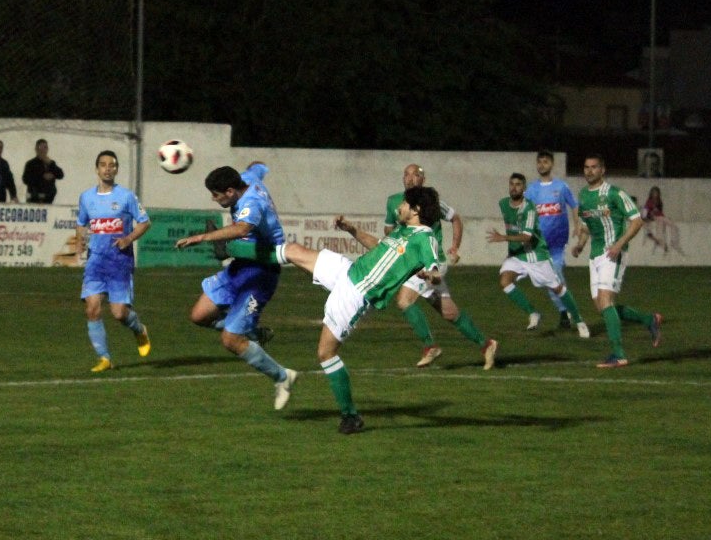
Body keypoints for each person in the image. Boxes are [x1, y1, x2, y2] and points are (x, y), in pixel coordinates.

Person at [264, 187, 442, 433]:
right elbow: (379, 247)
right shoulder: (404, 230)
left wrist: (429, 275)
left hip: (358, 294)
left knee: (326, 353)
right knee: (294, 250)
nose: (397, 208)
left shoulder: (426, 238)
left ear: (416, 210)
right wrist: (352, 230)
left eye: (403, 204)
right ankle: (233, 252)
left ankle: (351, 416)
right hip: (348, 271)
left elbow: (435, 270)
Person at [174, 163, 298, 410]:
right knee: (199, 315)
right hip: (240, 266)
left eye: (216, 195)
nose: (214, 198)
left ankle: (282, 377)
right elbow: (257, 168)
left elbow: (242, 228)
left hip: (261, 272)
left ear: (231, 192)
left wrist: (201, 237)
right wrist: (261, 166)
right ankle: (253, 333)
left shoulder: (251, 203)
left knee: (230, 340)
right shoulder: (246, 178)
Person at [384, 164, 497, 370]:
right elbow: (389, 229)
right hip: (413, 263)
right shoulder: (394, 202)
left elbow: (455, 219)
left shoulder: (430, 202)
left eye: (415, 175)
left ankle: (430, 347)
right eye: (406, 174)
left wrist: (454, 247)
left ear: (423, 179)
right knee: (450, 313)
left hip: (432, 262)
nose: (410, 179)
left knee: (404, 300)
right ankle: (486, 344)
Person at [570, 155, 662, 368]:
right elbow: (585, 225)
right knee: (601, 307)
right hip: (595, 255)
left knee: (605, 302)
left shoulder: (615, 194)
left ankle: (619, 354)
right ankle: (649, 320)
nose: (589, 171)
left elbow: (637, 221)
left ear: (603, 170)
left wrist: (619, 244)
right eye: (586, 167)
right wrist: (581, 245)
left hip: (614, 253)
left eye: (594, 167)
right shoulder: (583, 195)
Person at [74, 150, 151, 371]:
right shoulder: (86, 197)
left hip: (119, 262)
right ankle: (104, 358)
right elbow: (81, 222)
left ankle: (139, 329)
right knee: (92, 309)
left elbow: (145, 222)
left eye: (112, 165)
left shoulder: (127, 196)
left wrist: (128, 238)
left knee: (119, 313)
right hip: (95, 261)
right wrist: (79, 241)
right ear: (97, 169)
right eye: (103, 165)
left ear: (116, 169)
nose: (108, 169)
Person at [486, 173, 589, 337]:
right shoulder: (504, 204)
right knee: (505, 281)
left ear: (524, 189)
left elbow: (527, 237)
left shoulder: (530, 208)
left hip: (536, 255)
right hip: (518, 255)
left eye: (518, 184)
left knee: (557, 288)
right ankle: (533, 313)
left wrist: (503, 238)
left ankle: (579, 320)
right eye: (512, 184)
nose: (514, 187)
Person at [523, 150, 580, 328]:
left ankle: (568, 313)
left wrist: (577, 224)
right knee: (550, 280)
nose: (542, 165)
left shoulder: (561, 187)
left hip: (557, 243)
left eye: (545, 162)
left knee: (554, 274)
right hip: (539, 244)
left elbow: (575, 205)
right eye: (539, 162)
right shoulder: (532, 189)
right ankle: (566, 312)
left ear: (552, 164)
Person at [22, 138, 64, 204]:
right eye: (40, 147)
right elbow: (25, 179)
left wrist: (51, 165)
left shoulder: (51, 163)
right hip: (34, 198)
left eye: (45, 147)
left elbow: (61, 175)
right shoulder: (31, 163)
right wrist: (42, 177)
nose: (43, 150)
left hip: (49, 198)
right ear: (36, 149)